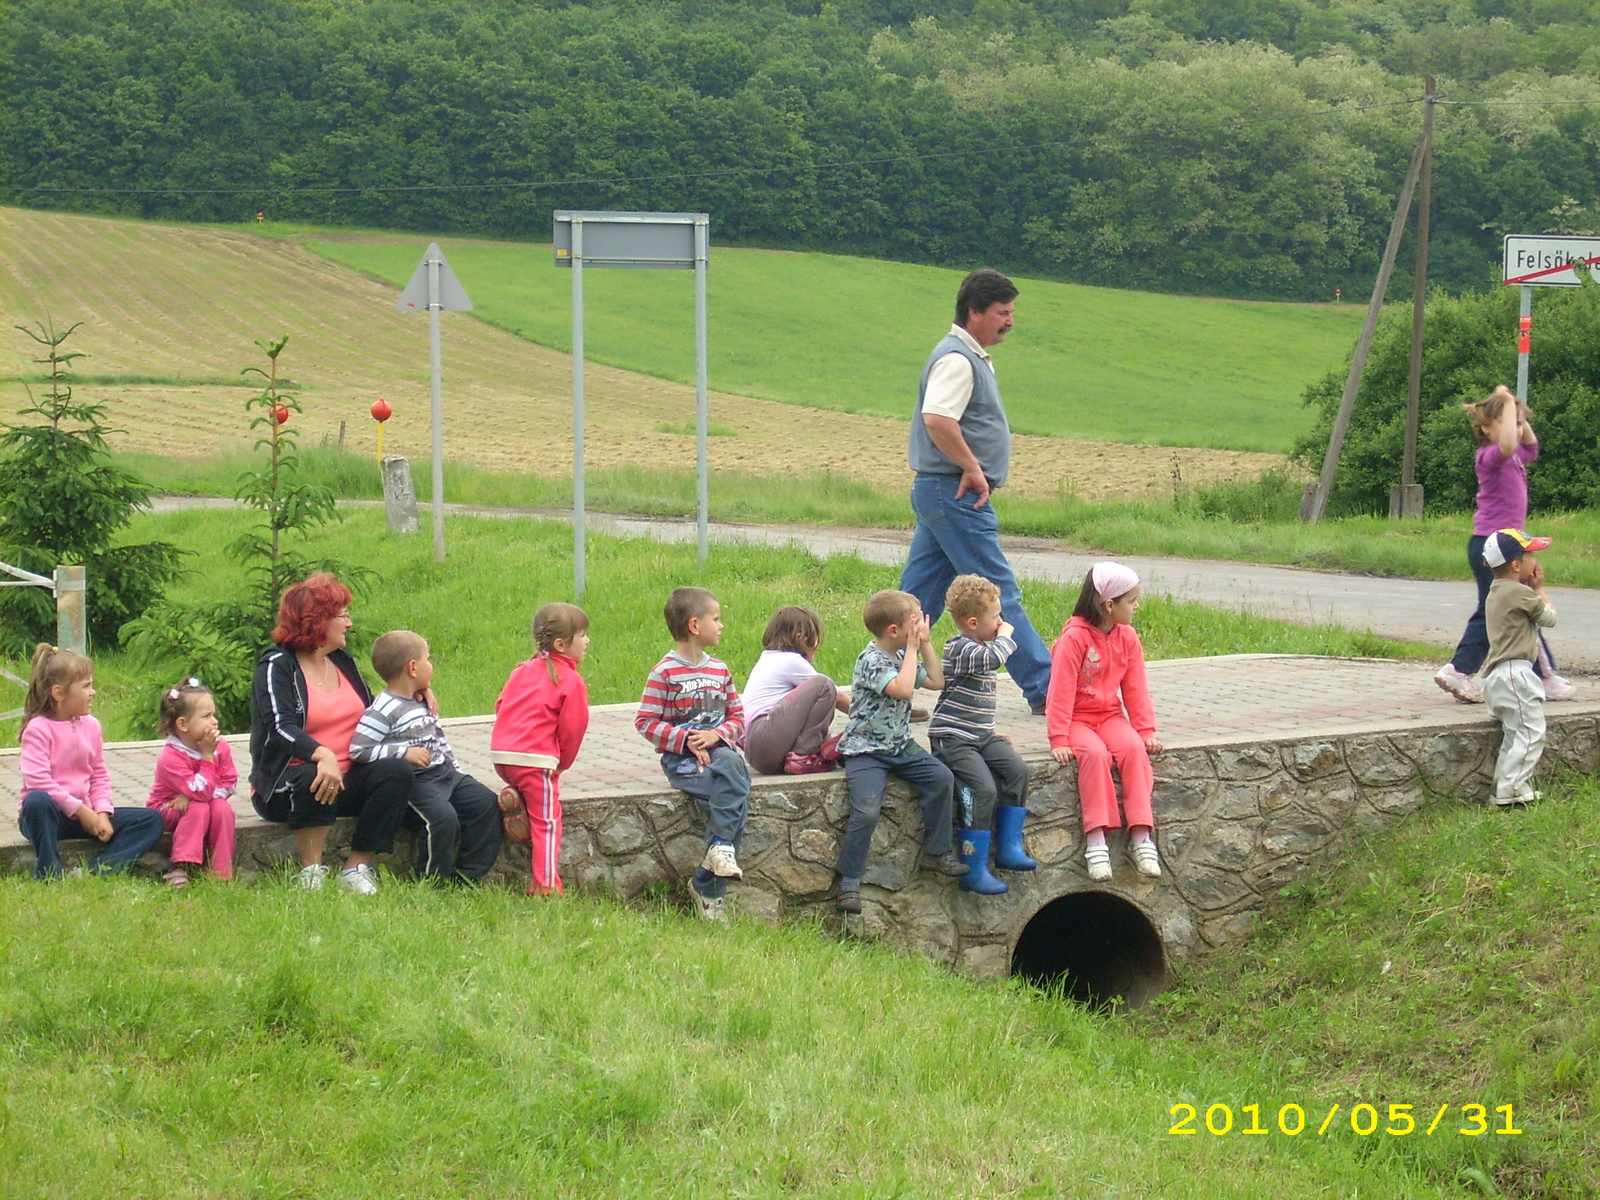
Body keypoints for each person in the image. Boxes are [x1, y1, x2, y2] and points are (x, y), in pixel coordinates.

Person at [900, 267, 1052, 714]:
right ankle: (1046, 689)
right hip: (956, 493)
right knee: (999, 591)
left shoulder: (966, 356)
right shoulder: (957, 359)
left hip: (941, 492)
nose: (1010, 321)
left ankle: (886, 683)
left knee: (917, 598)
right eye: (1003, 312)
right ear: (975, 312)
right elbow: (938, 419)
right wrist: (972, 467)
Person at [248, 573, 418, 895]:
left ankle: (356, 866)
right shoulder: (277, 665)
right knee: (314, 774)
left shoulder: (341, 661)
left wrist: (415, 693)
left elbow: (372, 711)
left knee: (396, 771)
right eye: (343, 616)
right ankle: (310, 872)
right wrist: (322, 754)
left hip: (348, 778)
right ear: (319, 620)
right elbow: (279, 728)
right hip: (289, 784)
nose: (349, 624)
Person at [833, 589, 967, 915]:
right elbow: (904, 689)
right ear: (894, 631)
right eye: (915, 622)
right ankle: (849, 881)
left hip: (899, 745)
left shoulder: (902, 656)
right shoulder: (873, 659)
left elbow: (936, 681)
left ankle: (937, 853)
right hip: (865, 750)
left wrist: (925, 645)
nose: (921, 625)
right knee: (866, 810)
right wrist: (911, 650)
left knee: (941, 778)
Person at [1436, 386, 1573, 703]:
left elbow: (1531, 446)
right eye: (1508, 422)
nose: (1517, 428)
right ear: (1486, 427)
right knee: (1498, 611)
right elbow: (1510, 443)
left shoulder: (1514, 458)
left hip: (1505, 545)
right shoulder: (1490, 458)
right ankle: (1460, 670)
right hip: (1491, 545)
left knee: (1512, 608)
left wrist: (1517, 414)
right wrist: (1509, 401)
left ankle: (1541, 675)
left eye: (1520, 422)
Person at [348, 631, 502, 885]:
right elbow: (359, 750)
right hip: (417, 782)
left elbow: (437, 738)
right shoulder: (382, 710)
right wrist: (403, 753)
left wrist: (457, 770)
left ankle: (467, 877)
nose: (431, 665)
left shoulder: (421, 699)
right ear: (412, 667)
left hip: (445, 773)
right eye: (428, 659)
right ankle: (432, 881)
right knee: (442, 820)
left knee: (485, 804)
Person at [635, 586, 751, 922]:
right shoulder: (665, 672)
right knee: (735, 793)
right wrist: (686, 740)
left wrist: (716, 734)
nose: (722, 625)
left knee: (731, 771)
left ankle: (715, 862)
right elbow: (645, 721)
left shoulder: (720, 670)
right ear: (695, 626)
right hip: (683, 763)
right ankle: (709, 882)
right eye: (716, 619)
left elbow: (738, 718)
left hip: (720, 757)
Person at [1045, 562, 1165, 881]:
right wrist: (1059, 737)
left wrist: (1145, 731)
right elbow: (1059, 691)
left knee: (1134, 751)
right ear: (1109, 604)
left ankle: (1141, 835)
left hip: (1109, 715)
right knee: (1095, 755)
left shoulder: (1127, 637)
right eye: (1132, 600)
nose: (1137, 606)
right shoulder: (1075, 639)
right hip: (1076, 720)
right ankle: (1096, 840)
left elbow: (1136, 687)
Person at [17, 643, 165, 879]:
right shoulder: (38, 729)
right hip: (49, 817)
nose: (93, 692)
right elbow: (38, 781)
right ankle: (48, 868)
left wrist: (103, 813)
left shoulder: (91, 725)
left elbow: (98, 774)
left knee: (152, 820)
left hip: (86, 814)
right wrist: (81, 810)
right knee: (36, 801)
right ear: (59, 693)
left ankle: (94, 870)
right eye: (86, 686)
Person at [929, 575, 1034, 894]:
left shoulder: (980, 647)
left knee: (1017, 770)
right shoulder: (960, 648)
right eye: (995, 617)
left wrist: (989, 731)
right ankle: (973, 867)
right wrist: (1006, 635)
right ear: (973, 622)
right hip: (953, 738)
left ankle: (1008, 847)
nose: (1001, 621)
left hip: (980, 735)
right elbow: (996, 658)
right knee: (982, 789)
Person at [491, 603, 592, 895]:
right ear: (561, 644)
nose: (587, 641)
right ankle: (546, 885)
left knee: (533, 795)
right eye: (582, 635)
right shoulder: (570, 680)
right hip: (536, 760)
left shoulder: (521, 670)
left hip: (503, 756)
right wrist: (562, 764)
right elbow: (573, 728)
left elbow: (501, 706)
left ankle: (519, 800)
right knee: (548, 821)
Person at [1478, 529, 1558, 806]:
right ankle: (1512, 789)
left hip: (1497, 677)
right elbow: (1550, 618)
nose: (1535, 560)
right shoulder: (1520, 593)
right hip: (1516, 674)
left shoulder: (1496, 591)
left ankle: (1503, 786)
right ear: (1516, 565)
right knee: (1531, 732)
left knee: (1515, 734)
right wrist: (1538, 587)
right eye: (1531, 555)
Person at [146, 677, 238, 886]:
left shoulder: (220, 747)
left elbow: (230, 782)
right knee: (198, 808)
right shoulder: (171, 757)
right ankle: (182, 865)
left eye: (213, 714)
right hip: (168, 807)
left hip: (196, 800)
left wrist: (193, 795)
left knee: (221, 808)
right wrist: (207, 757)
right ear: (183, 724)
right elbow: (200, 792)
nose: (214, 721)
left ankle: (221, 870)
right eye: (206, 716)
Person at [742, 605, 849, 775]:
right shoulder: (790, 660)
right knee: (823, 685)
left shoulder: (768, 659)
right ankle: (805, 756)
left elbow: (806, 717)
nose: (817, 646)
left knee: (817, 705)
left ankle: (823, 749)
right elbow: (838, 697)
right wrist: (869, 715)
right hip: (765, 736)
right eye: (814, 639)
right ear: (801, 637)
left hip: (760, 755)